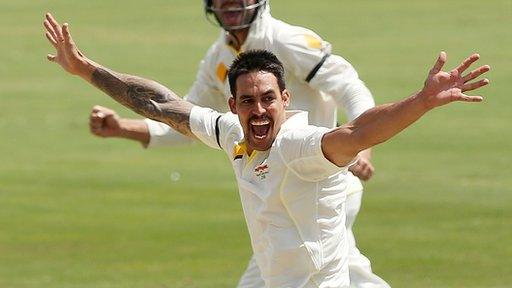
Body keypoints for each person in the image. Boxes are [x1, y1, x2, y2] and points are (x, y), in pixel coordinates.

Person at [44, 12, 490, 288]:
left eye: (268, 100)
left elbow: (356, 132)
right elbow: (164, 105)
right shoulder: (229, 134)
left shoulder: (300, 145)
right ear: (232, 105)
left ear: (285, 101)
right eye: (248, 102)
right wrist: (86, 69)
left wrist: (422, 101)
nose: (259, 111)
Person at [87, 1, 384, 286]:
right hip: (276, 189)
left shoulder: (287, 40)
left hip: (315, 185)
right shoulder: (217, 57)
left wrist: (362, 148)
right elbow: (184, 121)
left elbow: (351, 88)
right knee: (344, 273)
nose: (229, 2)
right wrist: (123, 128)